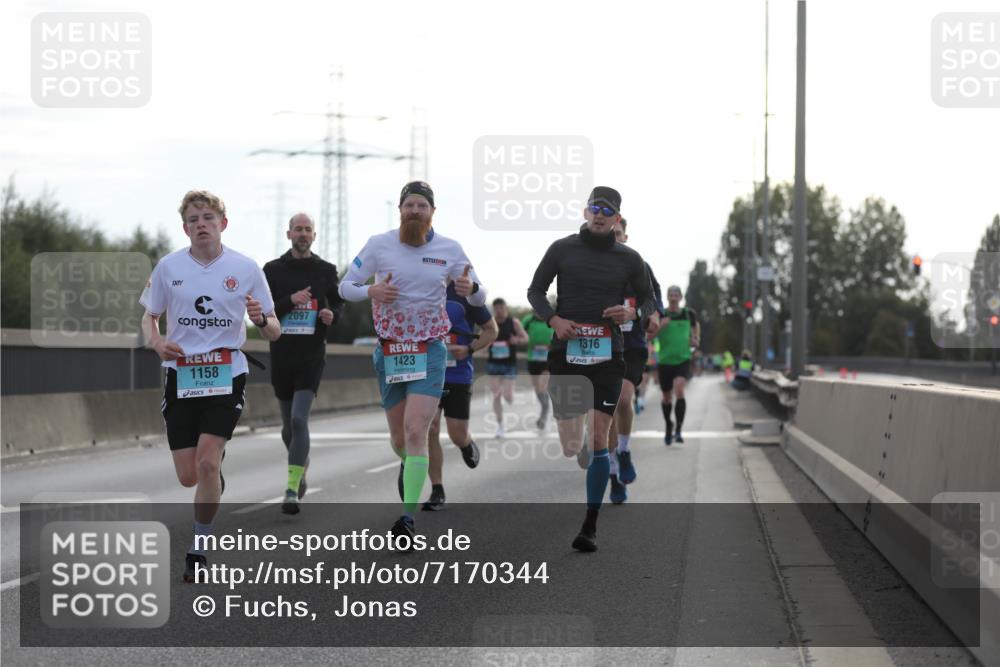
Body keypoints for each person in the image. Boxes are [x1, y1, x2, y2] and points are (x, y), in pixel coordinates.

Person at [139, 189, 280, 582]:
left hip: (226, 373)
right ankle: (211, 477)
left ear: (223, 223)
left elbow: (274, 330)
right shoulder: (169, 267)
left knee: (205, 461)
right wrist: (156, 341)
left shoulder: (246, 268)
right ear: (185, 228)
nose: (201, 224)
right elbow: (150, 316)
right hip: (181, 375)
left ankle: (198, 550)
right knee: (189, 475)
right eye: (194, 219)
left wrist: (261, 319)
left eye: (208, 217)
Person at [338, 181, 487, 545]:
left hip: (429, 349)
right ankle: (412, 462)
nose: (415, 211)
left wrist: (471, 290)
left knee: (418, 431)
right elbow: (345, 287)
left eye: (422, 205)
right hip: (390, 350)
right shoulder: (379, 245)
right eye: (409, 206)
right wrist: (370, 291)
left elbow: (479, 290)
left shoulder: (450, 249)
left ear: (432, 212)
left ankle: (407, 519)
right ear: (400, 211)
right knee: (400, 438)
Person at [527, 186, 659, 552]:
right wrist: (553, 319)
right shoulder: (561, 249)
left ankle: (590, 525)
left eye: (607, 211)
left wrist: (633, 312)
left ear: (616, 219)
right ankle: (580, 441)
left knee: (600, 438)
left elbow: (649, 300)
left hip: (608, 355)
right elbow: (535, 291)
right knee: (572, 446)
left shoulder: (630, 258)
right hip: (566, 352)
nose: (600, 215)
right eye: (594, 208)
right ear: (585, 213)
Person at [263, 212, 343, 515]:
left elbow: (337, 303)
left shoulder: (325, 270)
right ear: (289, 234)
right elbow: (261, 311)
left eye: (308, 230)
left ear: (314, 236)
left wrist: (331, 315)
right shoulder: (272, 270)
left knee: (299, 420)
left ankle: (291, 488)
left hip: (312, 355)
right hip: (282, 354)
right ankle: (302, 463)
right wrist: (290, 301)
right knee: (287, 428)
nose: (303, 234)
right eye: (298, 229)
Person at [422, 283, 498, 510]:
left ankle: (465, 443)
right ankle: (437, 489)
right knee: (430, 428)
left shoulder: (465, 292)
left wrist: (470, 349)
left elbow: (492, 330)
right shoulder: (419, 285)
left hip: (458, 373)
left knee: (457, 433)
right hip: (426, 371)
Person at [607, 218, 663, 504]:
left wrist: (647, 315)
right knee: (604, 417)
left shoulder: (638, 266)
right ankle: (614, 473)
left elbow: (654, 301)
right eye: (609, 234)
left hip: (631, 346)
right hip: (600, 346)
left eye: (618, 234)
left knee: (623, 400)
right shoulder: (592, 266)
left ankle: (625, 450)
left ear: (625, 237)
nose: (613, 238)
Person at [654, 286, 700, 445]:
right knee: (666, 397)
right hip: (665, 361)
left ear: (680, 297)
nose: (673, 298)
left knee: (679, 389)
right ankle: (669, 424)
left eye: (676, 295)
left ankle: (679, 430)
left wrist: (695, 338)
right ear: (667, 298)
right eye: (671, 295)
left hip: (683, 359)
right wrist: (661, 326)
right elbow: (648, 335)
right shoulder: (661, 314)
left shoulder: (688, 314)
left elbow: (695, 326)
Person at [487, 298, 528, 438]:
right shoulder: (489, 322)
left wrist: (517, 340)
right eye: (496, 308)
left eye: (501, 308)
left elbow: (525, 338)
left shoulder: (514, 322)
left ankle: (510, 395)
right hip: (493, 363)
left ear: (506, 308)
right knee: (496, 395)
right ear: (494, 309)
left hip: (509, 363)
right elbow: (482, 338)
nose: (499, 311)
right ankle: (499, 426)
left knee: (508, 396)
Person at [522, 307, 555, 430]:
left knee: (542, 387)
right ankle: (544, 407)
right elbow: (519, 332)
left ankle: (544, 414)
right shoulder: (528, 321)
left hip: (547, 360)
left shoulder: (553, 320)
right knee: (538, 390)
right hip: (533, 359)